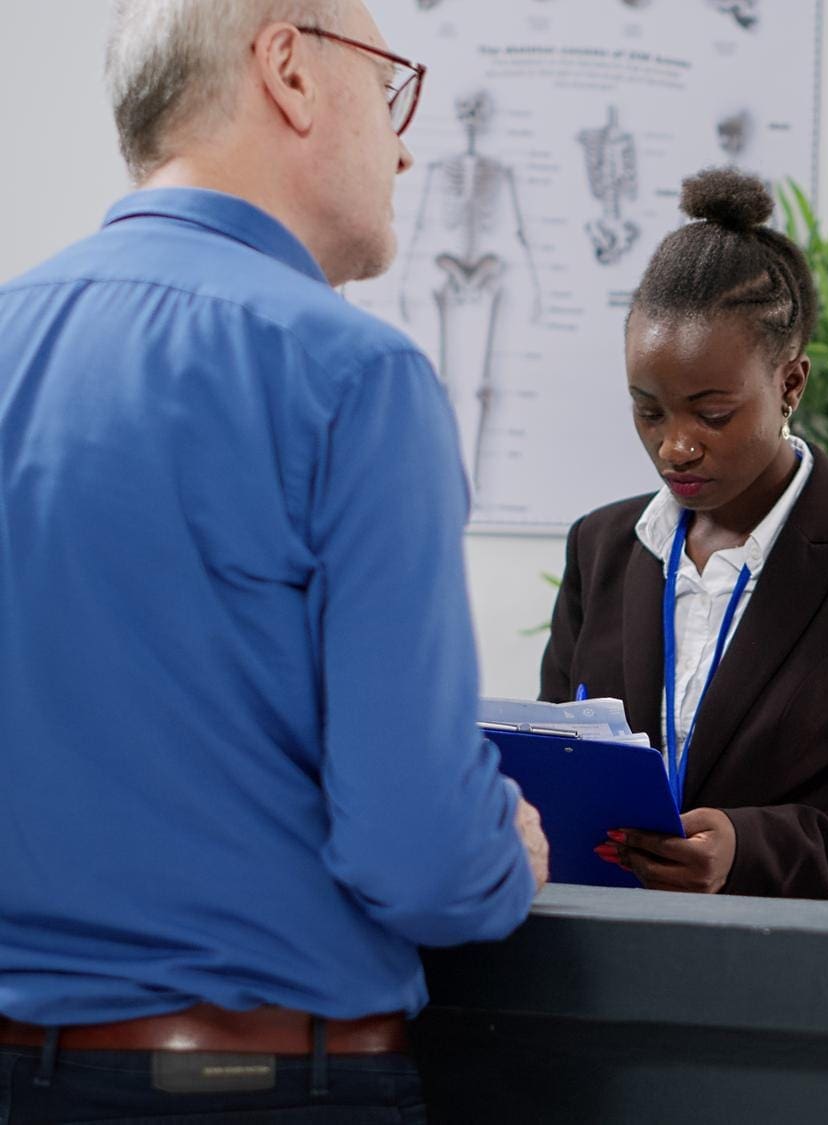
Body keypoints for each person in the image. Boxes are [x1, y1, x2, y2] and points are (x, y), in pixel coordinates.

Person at [0, 1, 548, 1119]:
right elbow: (422, 861)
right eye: (388, 86)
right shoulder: (353, 378)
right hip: (260, 1090)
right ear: (290, 70)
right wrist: (507, 851)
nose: (405, 144)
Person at [540, 168, 828, 903]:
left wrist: (754, 847)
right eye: (648, 411)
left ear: (791, 383)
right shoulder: (602, 547)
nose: (674, 445)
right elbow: (557, 763)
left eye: (711, 413)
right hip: (610, 969)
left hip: (797, 988)